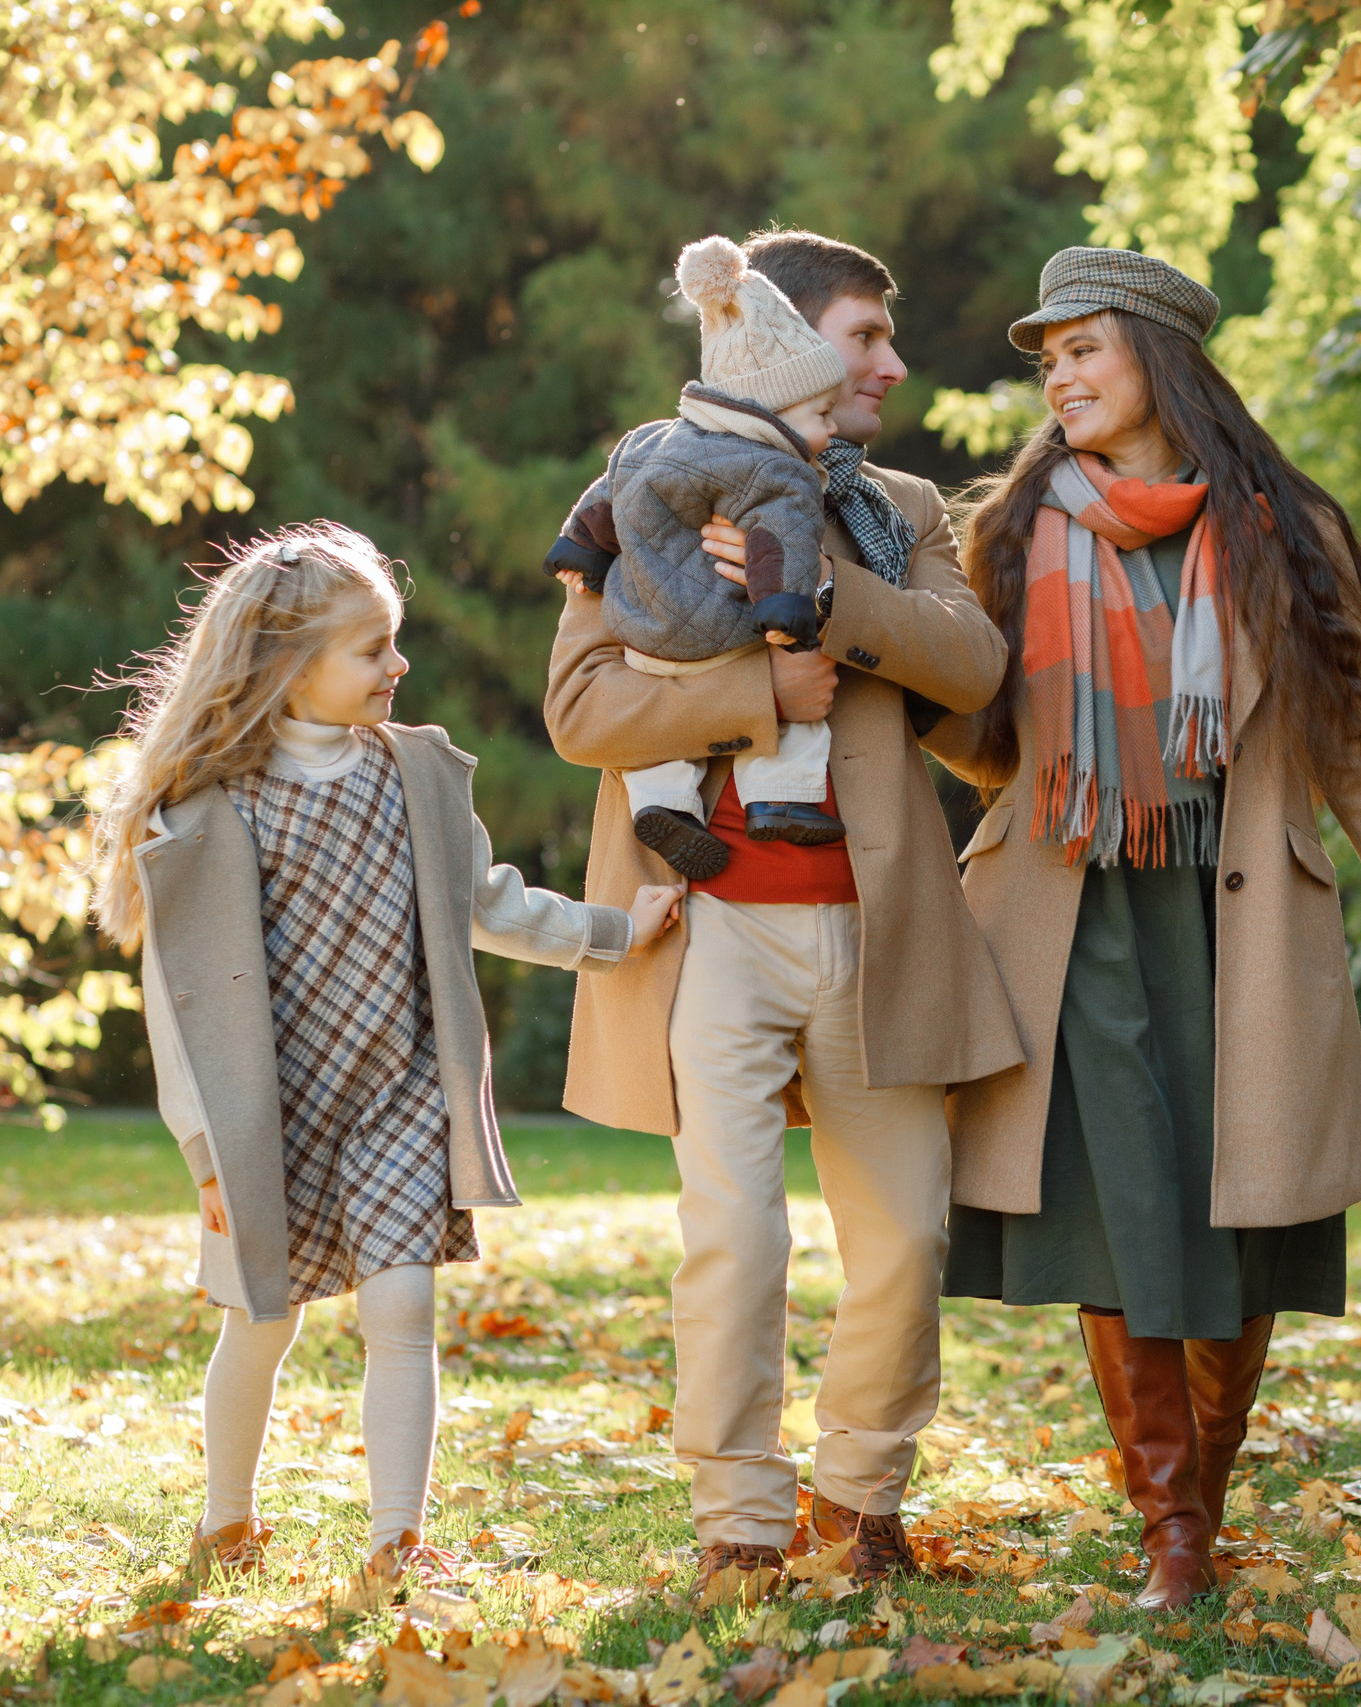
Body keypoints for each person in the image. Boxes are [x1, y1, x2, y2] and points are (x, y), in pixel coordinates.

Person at [927, 247, 1361, 1612]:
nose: (1057, 375)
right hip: (1071, 919)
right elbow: (989, 739)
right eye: (1046, 355)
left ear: (1161, 358)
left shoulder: (1286, 536)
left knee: (1237, 1225)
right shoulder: (1014, 531)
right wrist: (883, 677)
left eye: (1084, 349)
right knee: (1123, 1215)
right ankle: (1173, 1529)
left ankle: (1210, 1483)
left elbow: (1360, 759)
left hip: (1241, 926)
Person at [543, 230, 1023, 1594]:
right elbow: (581, 709)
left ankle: (859, 1493)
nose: (893, 361)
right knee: (736, 1234)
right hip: (711, 929)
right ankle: (738, 1515)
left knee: (905, 1240)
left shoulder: (902, 509)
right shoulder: (639, 488)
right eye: (867, 336)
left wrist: (809, 579)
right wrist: (759, 695)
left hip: (881, 929)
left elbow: (974, 662)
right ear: (791, 341)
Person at [86, 523, 683, 1582]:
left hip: (399, 1090)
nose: (397, 666)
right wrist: (205, 1151)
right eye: (371, 649)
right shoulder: (212, 806)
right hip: (269, 1107)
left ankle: (396, 1540)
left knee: (403, 1304)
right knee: (260, 1323)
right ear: (287, 666)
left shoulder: (412, 772)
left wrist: (611, 932)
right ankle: (228, 1520)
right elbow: (176, 1002)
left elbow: (485, 904)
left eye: (393, 643)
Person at [547, 235, 853, 878]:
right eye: (822, 413)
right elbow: (779, 544)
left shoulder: (651, 440)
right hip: (724, 627)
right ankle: (781, 797)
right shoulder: (783, 471)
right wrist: (784, 612)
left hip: (643, 627)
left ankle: (663, 804)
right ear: (776, 407)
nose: (830, 430)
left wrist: (580, 555)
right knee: (794, 691)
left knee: (658, 744)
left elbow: (605, 502)